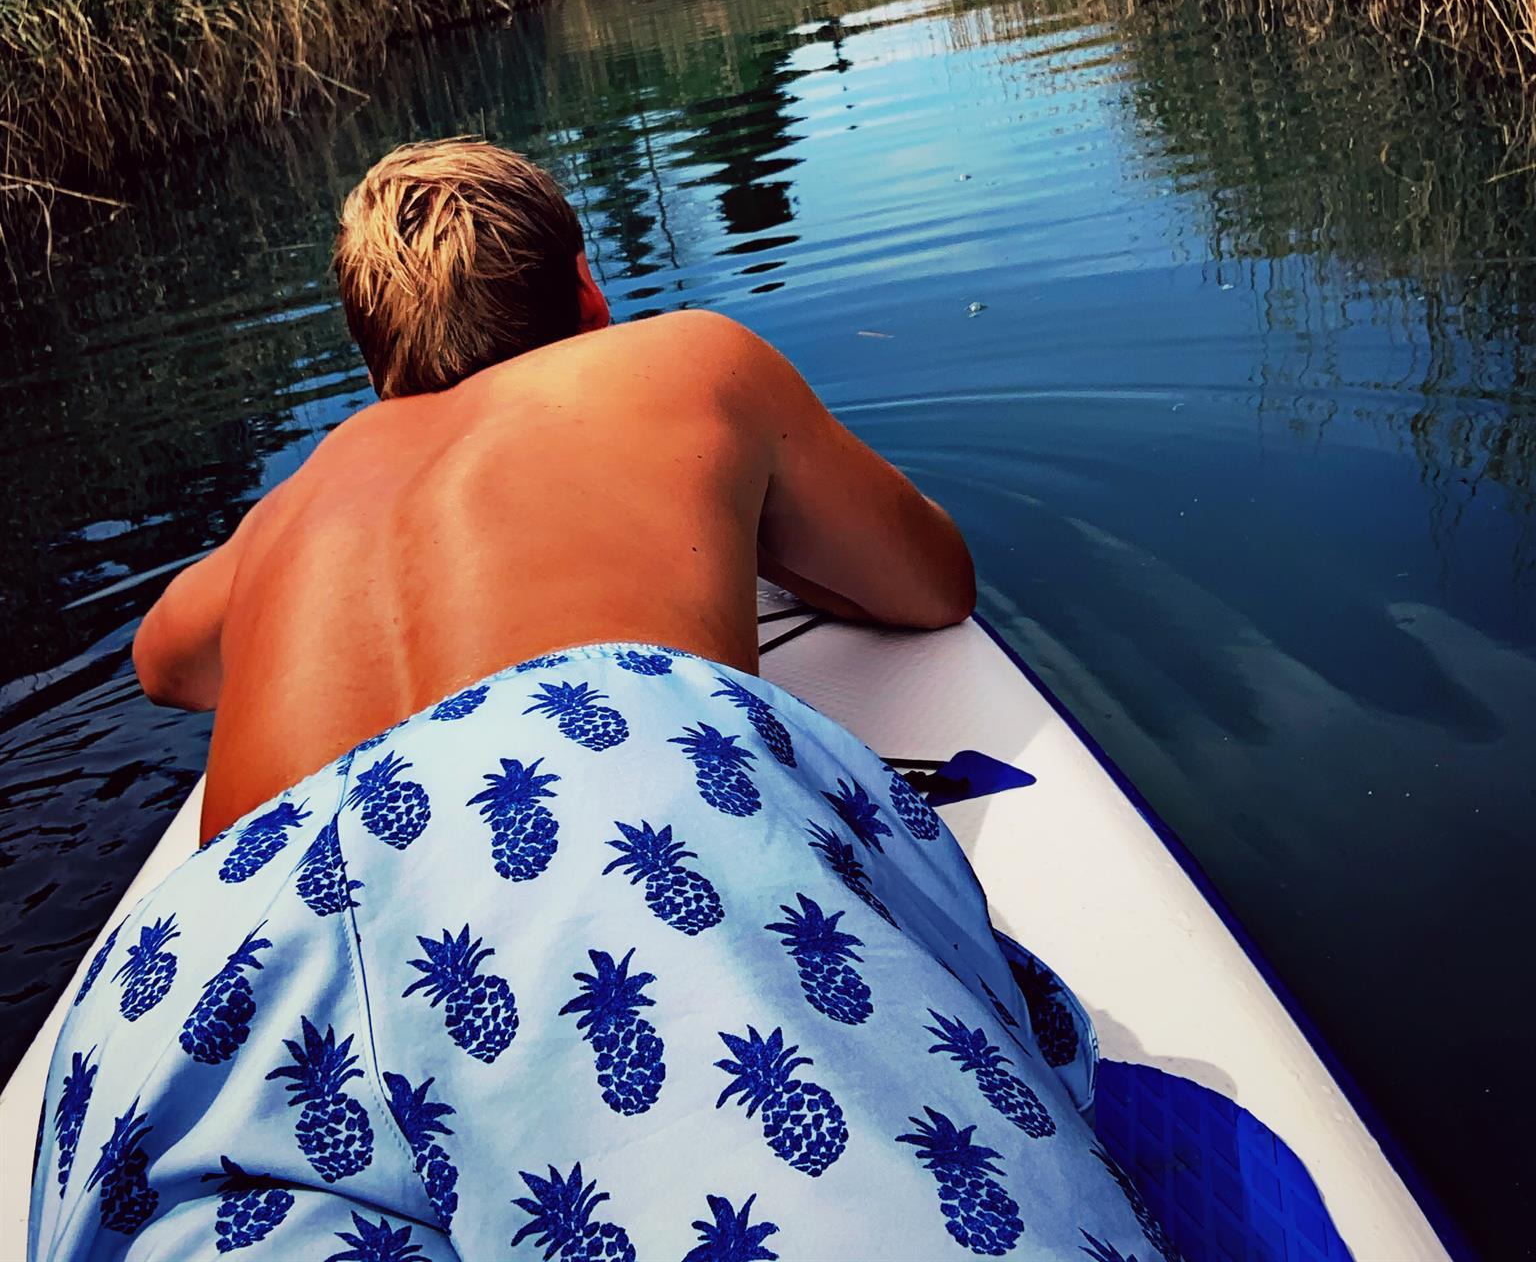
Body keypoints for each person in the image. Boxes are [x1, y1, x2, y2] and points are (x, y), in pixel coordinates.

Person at [30, 138, 1159, 1261]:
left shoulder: (297, 499)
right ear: (585, 287)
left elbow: (162, 663)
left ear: (377, 362)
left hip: (206, 962)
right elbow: (930, 584)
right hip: (571, 820)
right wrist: (744, 527)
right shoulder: (688, 360)